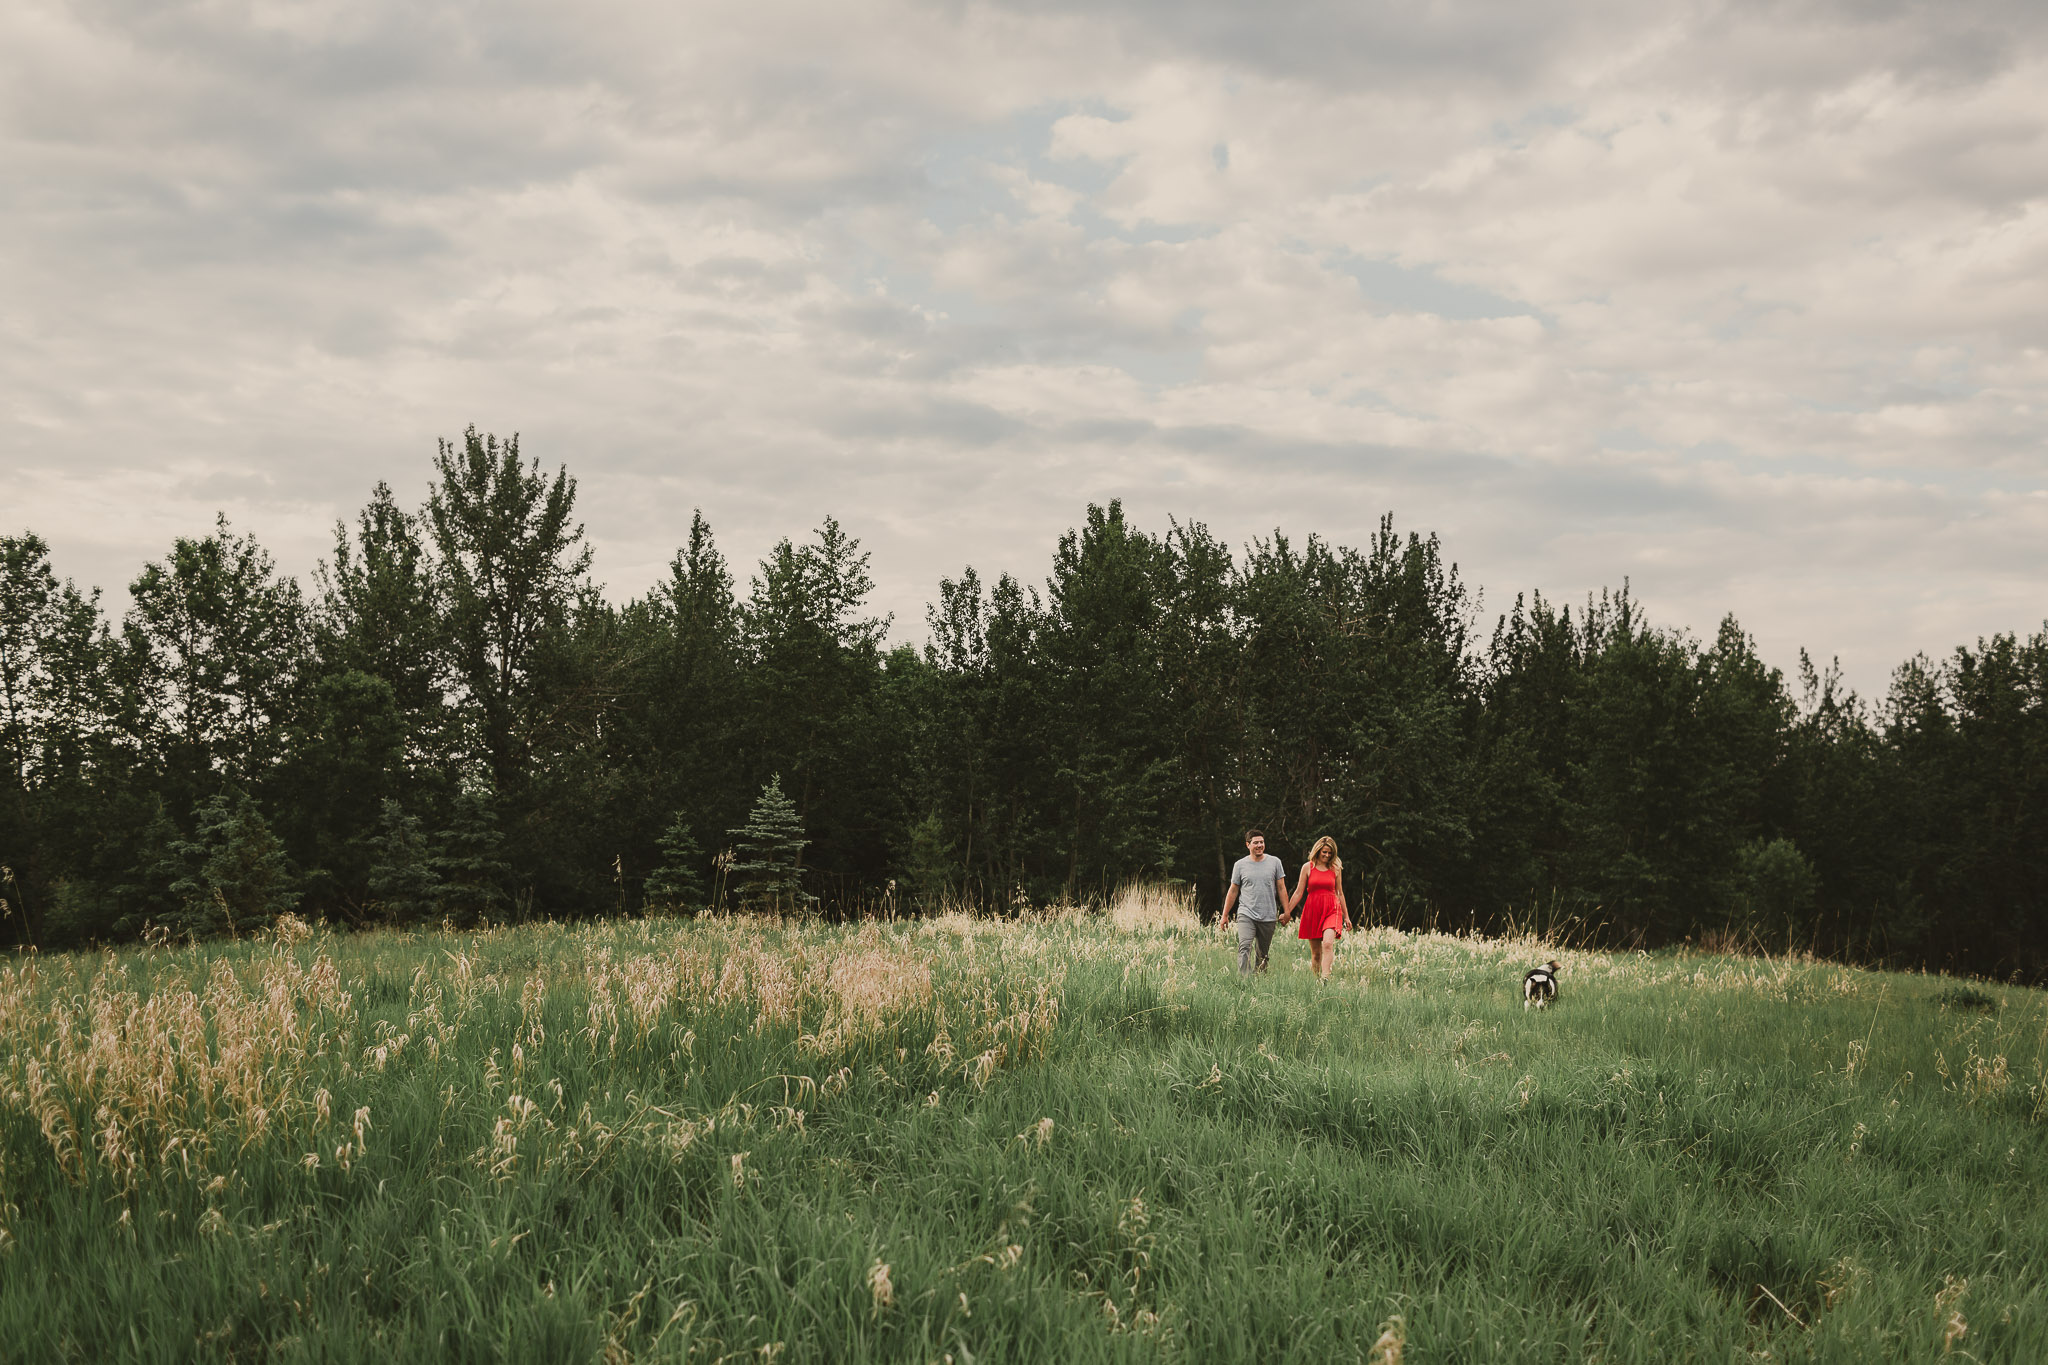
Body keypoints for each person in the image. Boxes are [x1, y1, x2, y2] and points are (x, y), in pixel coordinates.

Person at [1220, 829, 1289, 975]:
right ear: (1248, 845)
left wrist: (1287, 911)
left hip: (1268, 915)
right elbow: (1233, 890)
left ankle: (1259, 982)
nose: (1259, 845)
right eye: (1255, 842)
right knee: (1244, 946)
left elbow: (1281, 888)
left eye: (1262, 842)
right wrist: (1224, 915)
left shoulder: (1275, 862)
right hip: (1246, 913)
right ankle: (1244, 982)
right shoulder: (1240, 865)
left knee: (1262, 954)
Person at [1287, 835, 1349, 980]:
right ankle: (1317, 983)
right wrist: (1287, 912)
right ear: (1318, 851)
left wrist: (1347, 916)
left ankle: (1325, 979)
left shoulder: (1336, 868)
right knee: (1316, 954)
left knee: (1327, 943)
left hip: (1332, 909)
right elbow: (1298, 892)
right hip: (1313, 910)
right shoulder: (1307, 867)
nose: (1327, 855)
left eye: (1330, 853)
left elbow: (1340, 893)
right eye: (1324, 852)